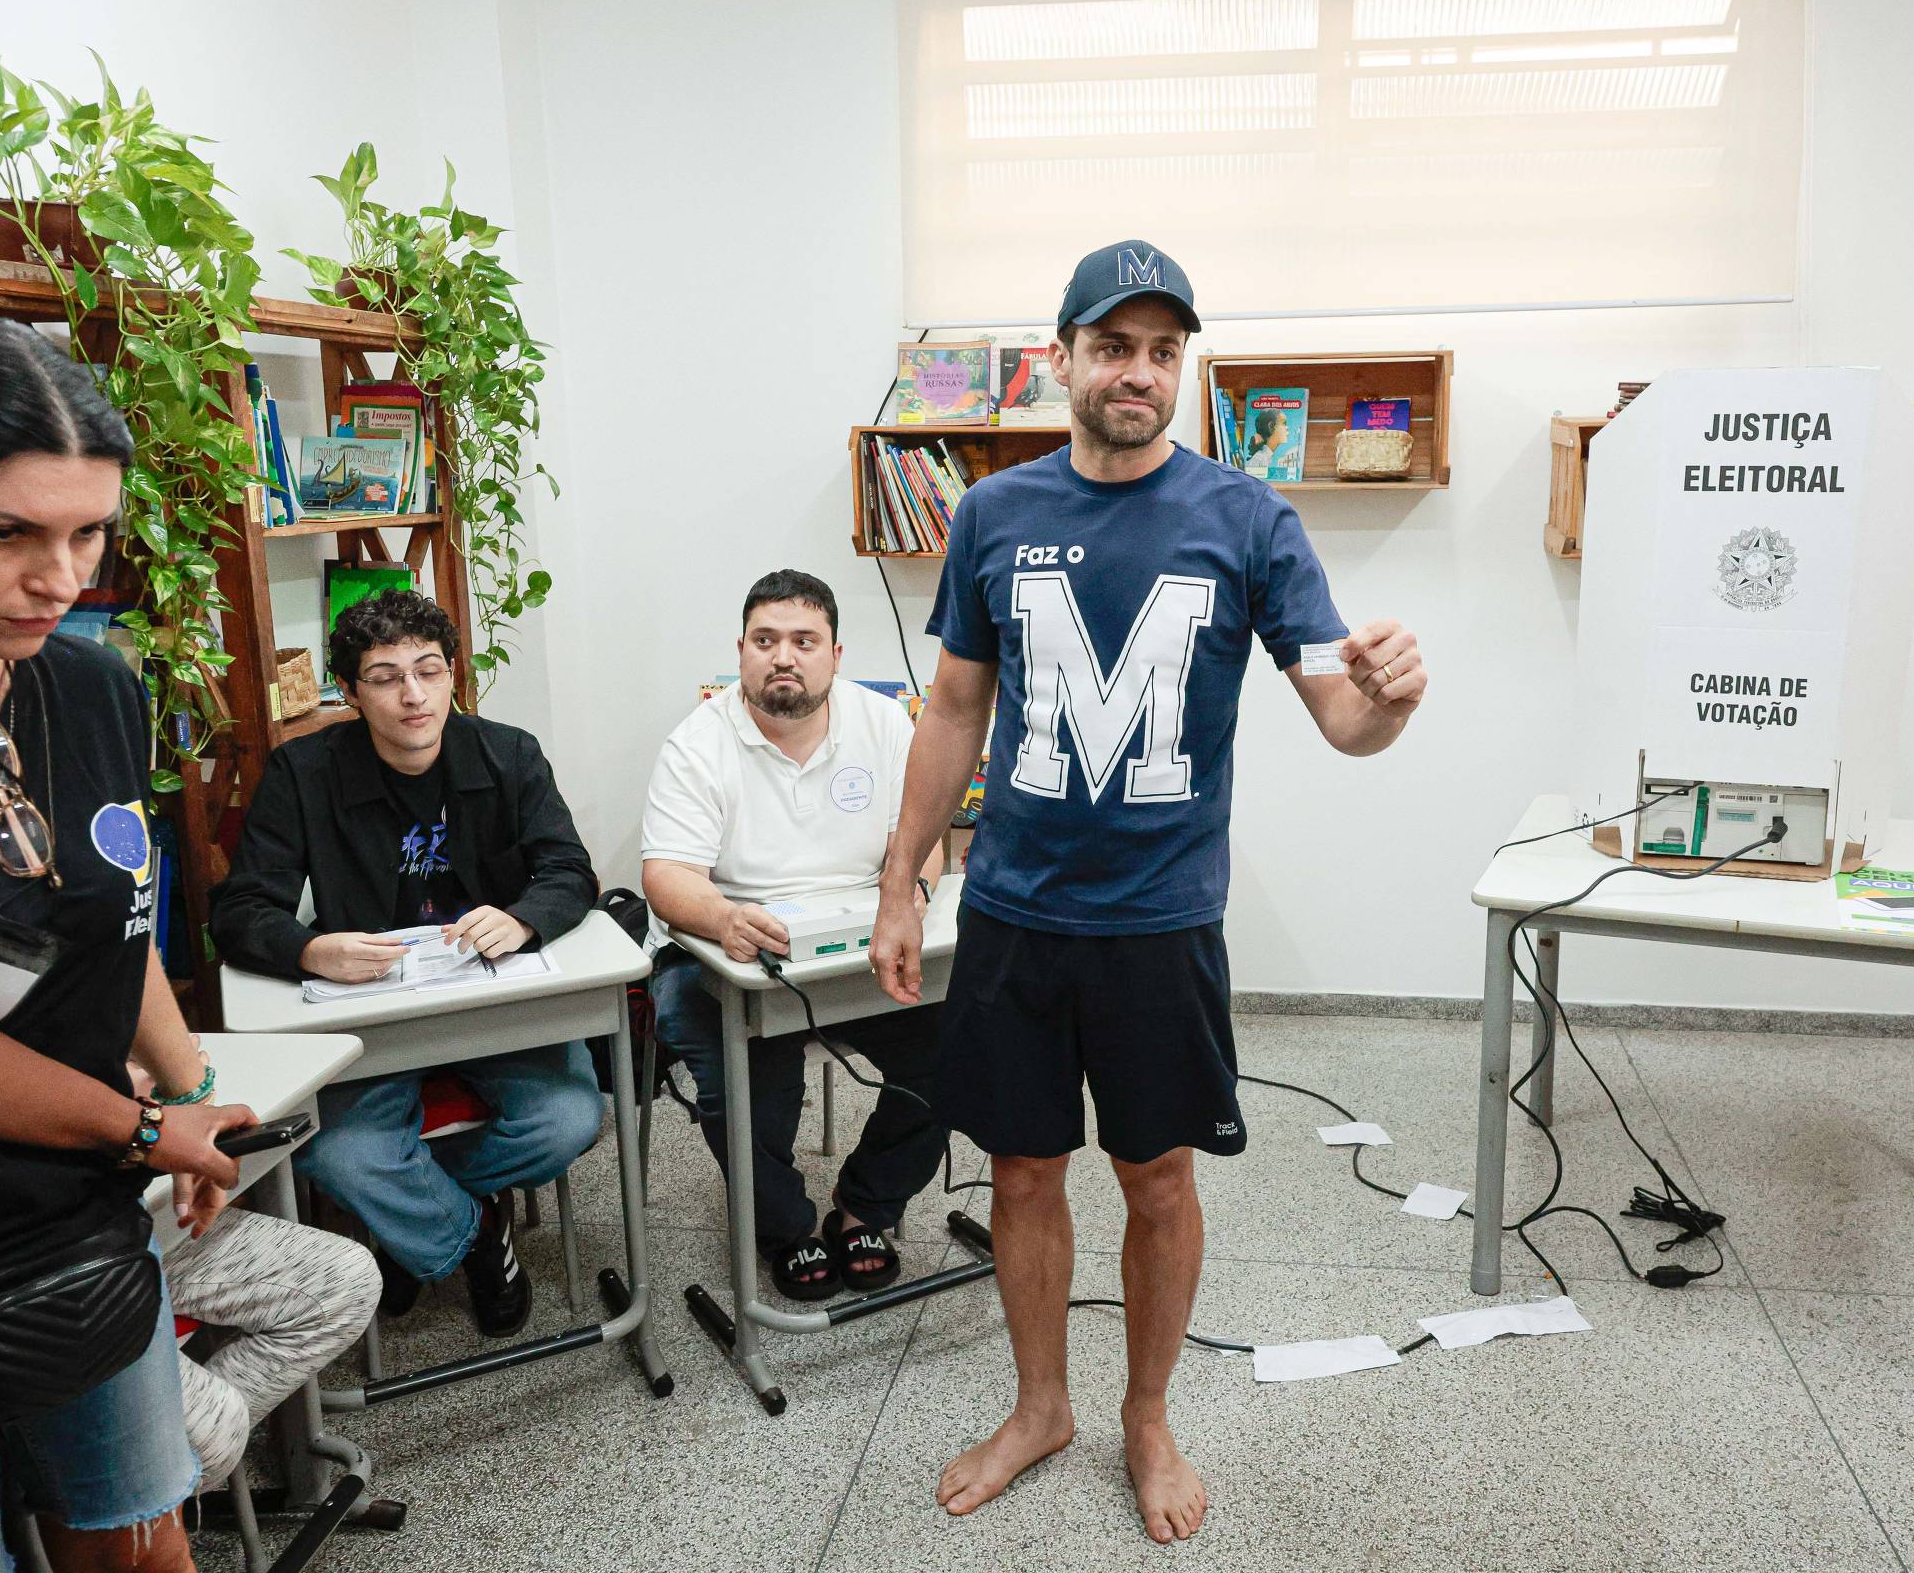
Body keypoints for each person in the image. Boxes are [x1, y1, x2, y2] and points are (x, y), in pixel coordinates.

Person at [868, 241, 1428, 1544]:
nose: (1140, 372)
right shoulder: (995, 516)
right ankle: (1040, 1405)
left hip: (1159, 923)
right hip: (1011, 912)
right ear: (1062, 358)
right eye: (1114, 346)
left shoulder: (1247, 519)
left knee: (1158, 1177)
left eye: (1164, 350)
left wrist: (1390, 703)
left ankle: (1146, 1415)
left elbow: (1340, 713)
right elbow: (954, 708)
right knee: (1019, 1173)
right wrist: (903, 883)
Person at [0, 313, 261, 1573]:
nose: (61, 577)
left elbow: (116, 926)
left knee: (143, 1548)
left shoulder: (91, 683)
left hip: (79, 1227)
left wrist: (194, 1090)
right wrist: (144, 1127)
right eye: (3, 534)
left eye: (87, 533)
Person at [209, 590, 602, 1339]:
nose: (413, 694)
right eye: (386, 677)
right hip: (369, 1013)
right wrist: (310, 949)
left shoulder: (508, 753)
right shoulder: (304, 771)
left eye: (428, 669)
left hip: (491, 1002)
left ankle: (407, 1227)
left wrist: (521, 918)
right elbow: (239, 910)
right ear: (351, 693)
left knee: (569, 1117)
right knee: (338, 1153)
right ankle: (471, 1238)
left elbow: (568, 872)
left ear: (454, 674)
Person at [641, 570, 947, 1299]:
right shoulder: (698, 743)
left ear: (835, 655)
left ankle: (863, 1207)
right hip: (729, 949)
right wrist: (723, 919)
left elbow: (924, 836)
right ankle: (785, 1229)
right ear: (741, 651)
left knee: (958, 1050)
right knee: (748, 1085)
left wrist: (914, 893)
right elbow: (667, 876)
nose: (784, 656)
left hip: (859, 939)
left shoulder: (884, 723)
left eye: (804, 641)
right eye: (766, 640)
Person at [127, 1060, 382, 1487]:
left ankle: (144, 1480)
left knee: (345, 1281)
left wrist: (183, 1100)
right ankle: (113, 1507)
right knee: (207, 1435)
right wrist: (142, 1122)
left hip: (134, 1214)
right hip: (34, 1261)